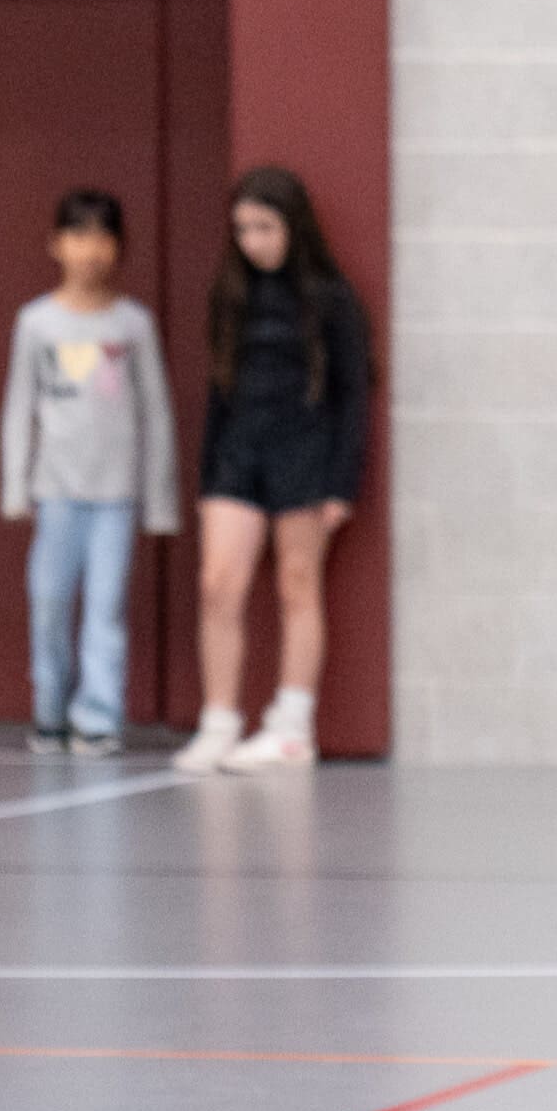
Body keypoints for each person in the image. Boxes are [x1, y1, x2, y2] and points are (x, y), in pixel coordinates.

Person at [176, 166, 369, 775]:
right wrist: (210, 472)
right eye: (242, 229)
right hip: (238, 455)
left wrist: (342, 482)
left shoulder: (333, 300)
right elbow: (218, 388)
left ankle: (291, 726)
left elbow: (354, 396)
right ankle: (219, 720)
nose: (252, 241)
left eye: (264, 227)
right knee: (218, 584)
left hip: (304, 455)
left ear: (293, 226)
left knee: (296, 584)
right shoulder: (231, 295)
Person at [0, 186, 176, 756]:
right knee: (49, 601)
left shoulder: (132, 325)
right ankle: (50, 712)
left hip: (116, 495)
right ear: (56, 244)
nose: (90, 250)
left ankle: (98, 716)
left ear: (120, 247)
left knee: (105, 608)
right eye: (78, 235)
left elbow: (156, 411)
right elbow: (19, 406)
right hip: (56, 491)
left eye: (103, 237)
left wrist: (160, 498)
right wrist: (15, 485)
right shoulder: (37, 323)